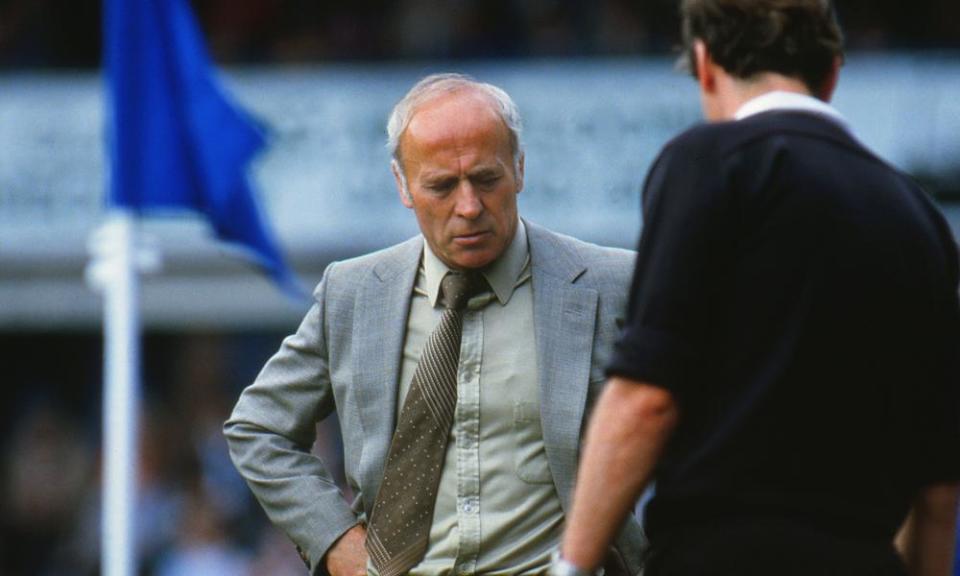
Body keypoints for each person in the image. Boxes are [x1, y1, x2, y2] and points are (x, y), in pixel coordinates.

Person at [554, 1, 960, 575]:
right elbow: (939, 487)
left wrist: (571, 566)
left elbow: (647, 399)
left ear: (705, 62)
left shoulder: (709, 161)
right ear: (832, 73)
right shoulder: (919, 215)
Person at [225, 73, 644, 576]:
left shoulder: (612, 283)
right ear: (402, 185)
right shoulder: (354, 293)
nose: (468, 207)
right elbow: (258, 428)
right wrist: (336, 543)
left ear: (520, 169)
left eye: (487, 180)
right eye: (442, 186)